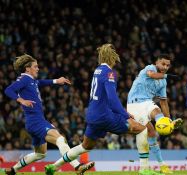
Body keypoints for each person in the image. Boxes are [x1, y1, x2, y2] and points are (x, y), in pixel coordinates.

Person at [44, 44, 147, 175]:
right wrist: (125, 115)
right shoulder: (110, 73)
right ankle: (145, 170)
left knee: (86, 146)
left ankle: (53, 167)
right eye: (115, 58)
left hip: (92, 115)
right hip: (105, 116)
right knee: (142, 129)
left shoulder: (97, 70)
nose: (116, 61)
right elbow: (112, 99)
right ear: (112, 57)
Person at [4, 54, 94, 175]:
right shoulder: (24, 79)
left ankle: (13, 170)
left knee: (40, 154)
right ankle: (77, 167)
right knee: (60, 139)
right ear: (27, 68)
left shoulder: (31, 81)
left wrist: (57, 80)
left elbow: (41, 82)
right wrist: (21, 100)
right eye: (35, 66)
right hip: (36, 122)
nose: (38, 69)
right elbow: (8, 90)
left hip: (34, 122)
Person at [127, 54, 183, 175]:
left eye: (168, 65)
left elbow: (163, 102)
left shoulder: (163, 81)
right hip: (134, 104)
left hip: (147, 102)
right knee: (149, 132)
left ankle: (162, 166)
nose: (165, 67)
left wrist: (169, 121)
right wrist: (167, 75)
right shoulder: (149, 68)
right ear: (157, 62)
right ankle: (145, 167)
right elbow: (152, 75)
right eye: (163, 64)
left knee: (158, 112)